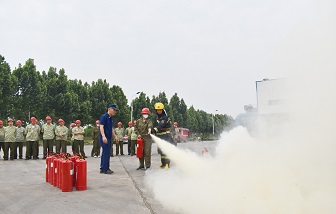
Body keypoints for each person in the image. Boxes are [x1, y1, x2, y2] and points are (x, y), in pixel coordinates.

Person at [99, 103, 118, 174]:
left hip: (109, 138)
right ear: (109, 109)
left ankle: (102, 167)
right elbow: (101, 127)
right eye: (114, 110)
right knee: (106, 153)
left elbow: (111, 128)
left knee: (105, 153)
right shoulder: (104, 116)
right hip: (104, 137)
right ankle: (105, 169)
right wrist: (103, 136)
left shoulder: (111, 118)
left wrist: (115, 136)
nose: (114, 111)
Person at [152, 102, 173, 168]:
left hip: (166, 135)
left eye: (160, 110)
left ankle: (167, 164)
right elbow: (154, 124)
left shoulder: (165, 117)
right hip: (159, 136)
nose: (159, 111)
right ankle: (163, 163)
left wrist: (154, 130)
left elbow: (161, 125)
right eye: (157, 110)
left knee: (166, 150)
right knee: (160, 150)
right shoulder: (156, 117)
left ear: (162, 110)